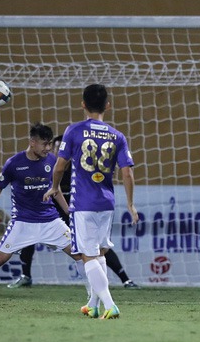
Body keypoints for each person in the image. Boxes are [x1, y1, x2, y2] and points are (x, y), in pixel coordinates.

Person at [0, 123, 86, 300]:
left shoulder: (51, 161)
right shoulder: (14, 163)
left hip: (50, 221)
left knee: (80, 255)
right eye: (44, 143)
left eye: (49, 144)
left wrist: (68, 212)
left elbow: (54, 190)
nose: (48, 148)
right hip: (22, 222)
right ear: (32, 142)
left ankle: (93, 297)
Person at [44, 84, 139, 320]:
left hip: (83, 203)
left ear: (82, 104)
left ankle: (109, 304)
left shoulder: (73, 131)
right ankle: (93, 304)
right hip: (107, 203)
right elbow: (127, 173)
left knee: (87, 256)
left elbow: (60, 166)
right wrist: (130, 204)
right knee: (100, 254)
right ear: (108, 105)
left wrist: (55, 187)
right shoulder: (117, 136)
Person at [8, 135, 140, 290]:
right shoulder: (47, 165)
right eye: (55, 148)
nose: (56, 151)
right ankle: (25, 276)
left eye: (59, 148)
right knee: (29, 236)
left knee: (95, 244)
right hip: (52, 210)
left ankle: (124, 279)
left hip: (75, 210)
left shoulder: (78, 167)